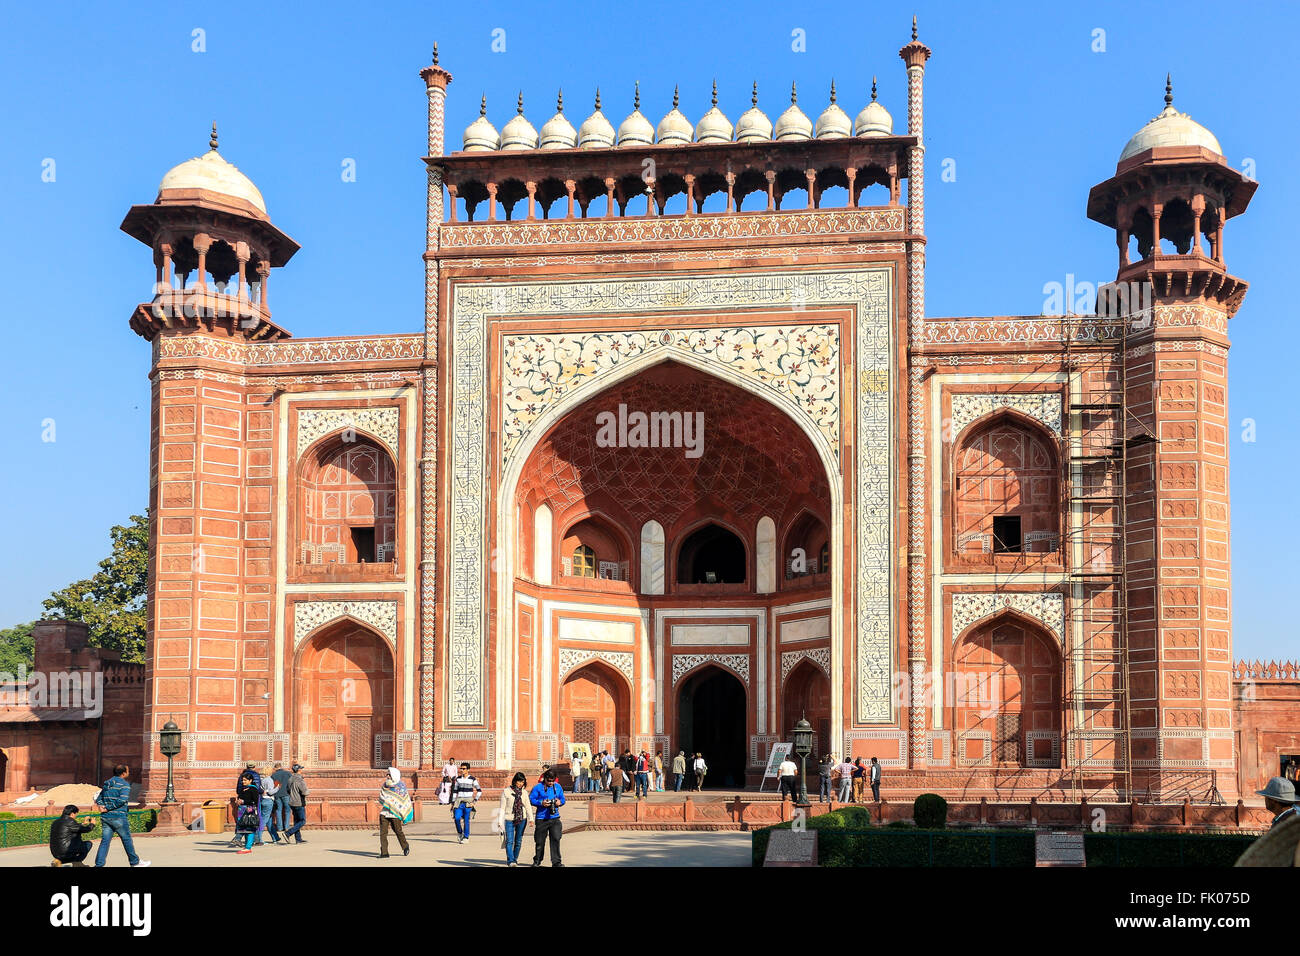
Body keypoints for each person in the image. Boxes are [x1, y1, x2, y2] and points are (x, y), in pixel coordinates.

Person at [94, 764, 149, 868]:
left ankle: (99, 864)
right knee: (126, 839)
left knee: (105, 842)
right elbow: (122, 800)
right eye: (128, 771)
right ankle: (135, 862)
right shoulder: (124, 785)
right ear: (123, 773)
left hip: (106, 817)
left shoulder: (107, 783)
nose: (129, 772)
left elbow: (99, 798)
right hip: (118, 816)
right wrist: (108, 807)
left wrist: (102, 806)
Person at [496, 771, 534, 866]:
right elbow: (502, 808)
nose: (521, 784)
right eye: (519, 781)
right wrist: (500, 821)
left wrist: (531, 819)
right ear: (514, 781)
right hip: (509, 819)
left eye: (522, 782)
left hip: (522, 819)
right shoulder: (506, 791)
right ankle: (511, 860)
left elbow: (528, 806)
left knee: (518, 841)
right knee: (509, 841)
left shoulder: (524, 792)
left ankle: (514, 859)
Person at [529, 768, 566, 867]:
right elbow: (531, 799)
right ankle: (537, 861)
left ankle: (556, 862)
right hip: (542, 818)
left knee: (556, 839)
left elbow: (563, 799)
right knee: (540, 841)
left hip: (555, 818)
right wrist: (541, 803)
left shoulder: (558, 787)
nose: (550, 783)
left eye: (552, 781)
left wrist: (560, 802)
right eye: (549, 780)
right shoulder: (538, 787)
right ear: (545, 778)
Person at [378, 766, 412, 858]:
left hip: (395, 812)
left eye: (389, 774)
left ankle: (405, 846)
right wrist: (388, 802)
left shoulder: (400, 786)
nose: (387, 776)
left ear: (394, 775)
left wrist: (392, 804)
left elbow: (404, 799)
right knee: (383, 833)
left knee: (398, 831)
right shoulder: (385, 785)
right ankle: (384, 853)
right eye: (387, 774)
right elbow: (381, 796)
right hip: (384, 812)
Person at [450, 761, 482, 843]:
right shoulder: (458, 779)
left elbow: (479, 791)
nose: (462, 770)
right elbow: (455, 791)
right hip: (459, 802)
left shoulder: (472, 779)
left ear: (468, 770)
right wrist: (453, 803)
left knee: (466, 820)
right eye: (461, 768)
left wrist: (474, 802)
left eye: (463, 769)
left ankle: (466, 837)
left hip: (468, 802)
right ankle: (460, 833)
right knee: (457, 818)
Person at [234, 772, 262, 854]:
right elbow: (240, 797)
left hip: (249, 810)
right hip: (242, 810)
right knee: (244, 828)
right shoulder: (244, 789)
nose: (243, 782)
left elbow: (255, 801)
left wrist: (244, 801)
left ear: (251, 780)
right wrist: (238, 801)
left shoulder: (253, 789)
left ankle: (248, 847)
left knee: (249, 829)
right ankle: (246, 846)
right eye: (242, 780)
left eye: (245, 780)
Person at [282, 763, 309, 844]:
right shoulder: (300, 780)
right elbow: (304, 792)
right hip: (299, 802)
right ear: (299, 770)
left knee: (297, 821)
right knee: (302, 821)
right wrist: (308, 791)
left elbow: (287, 790)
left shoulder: (290, 779)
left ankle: (298, 839)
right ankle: (288, 833)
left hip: (292, 802)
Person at [258, 765, 282, 845]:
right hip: (268, 800)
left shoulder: (261, 779)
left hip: (262, 799)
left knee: (269, 820)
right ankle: (259, 838)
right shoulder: (269, 780)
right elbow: (270, 792)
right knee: (264, 820)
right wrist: (278, 788)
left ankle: (275, 837)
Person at [270, 762, 292, 832]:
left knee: (278, 810)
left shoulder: (273, 775)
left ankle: (279, 828)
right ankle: (287, 827)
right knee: (287, 810)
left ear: (276, 768)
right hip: (286, 793)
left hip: (277, 794)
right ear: (281, 767)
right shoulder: (288, 773)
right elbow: (291, 783)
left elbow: (275, 785)